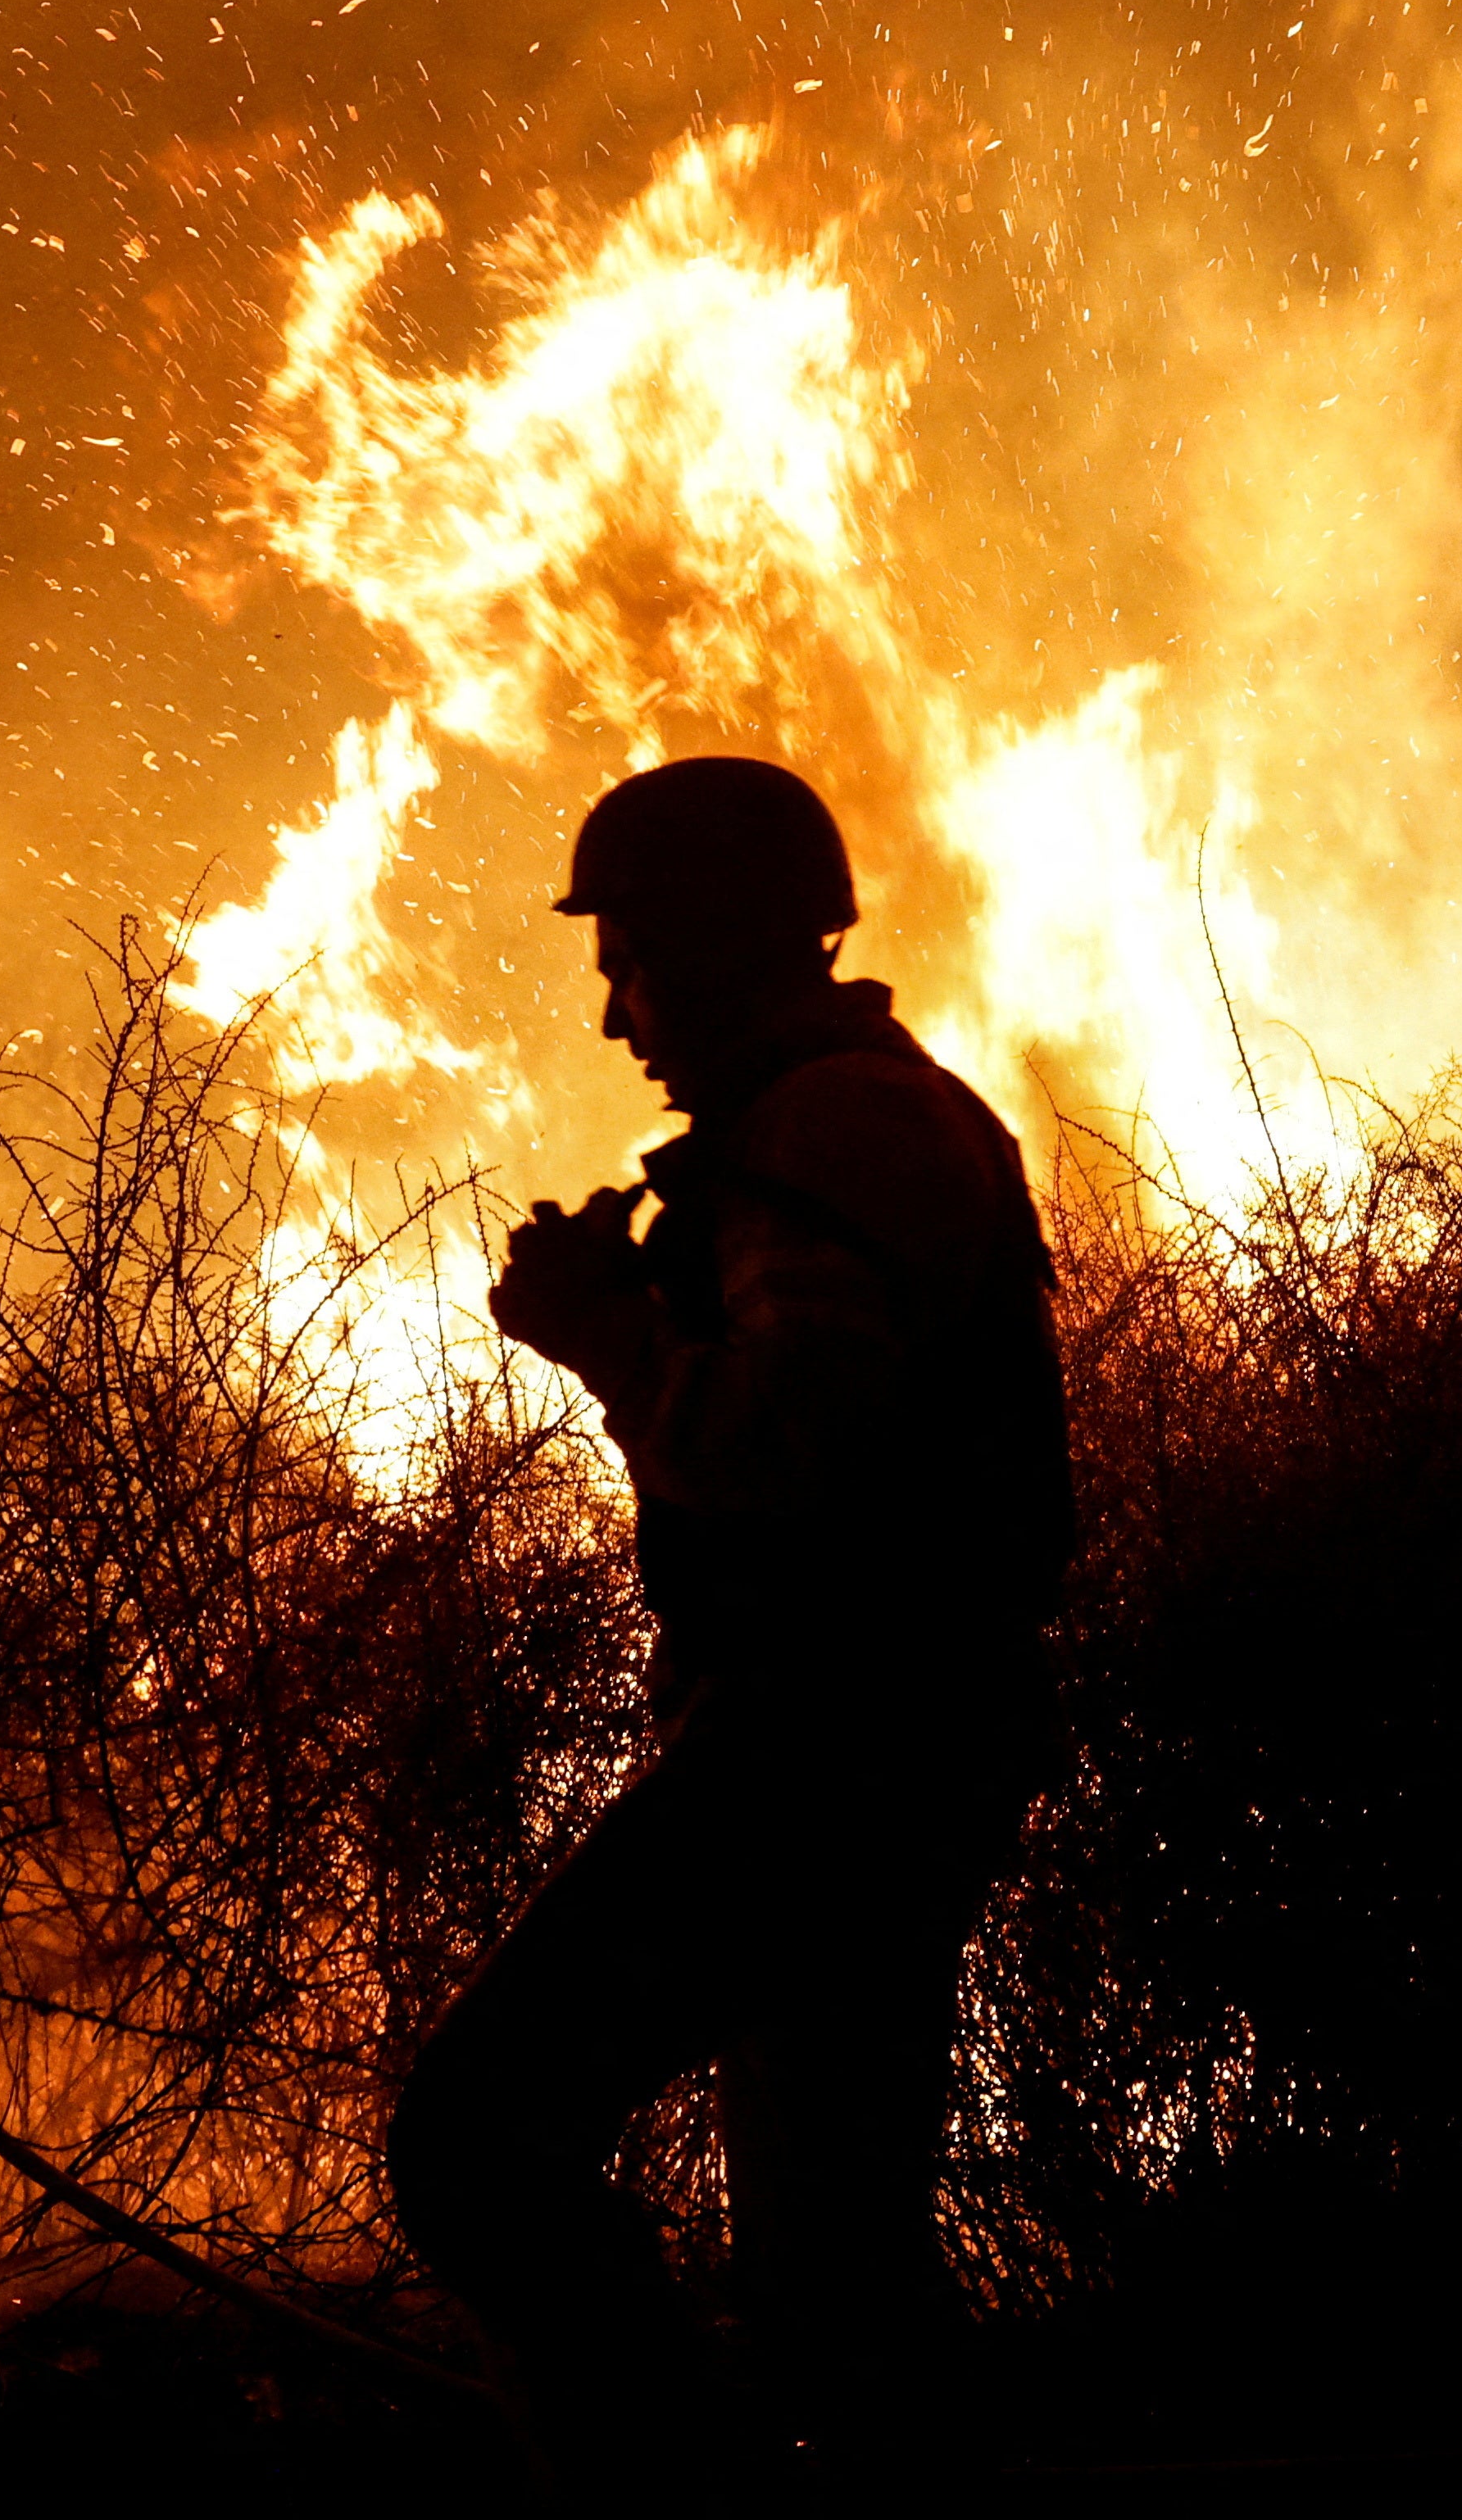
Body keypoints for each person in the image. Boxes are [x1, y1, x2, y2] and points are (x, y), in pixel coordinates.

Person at [390, 756, 1070, 2504]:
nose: (615, 1012)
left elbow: (788, 1449)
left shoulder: (830, 1132)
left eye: (627, 957)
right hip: (882, 1740)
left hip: (831, 1748)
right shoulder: (850, 1121)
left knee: (475, 2137)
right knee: (838, 2280)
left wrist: (604, 1331)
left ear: (709, 941)